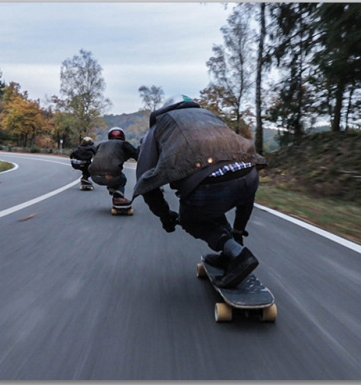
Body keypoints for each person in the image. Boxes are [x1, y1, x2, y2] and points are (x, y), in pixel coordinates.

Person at [133, 99, 267, 288]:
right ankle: (231, 249)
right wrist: (238, 230)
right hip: (250, 174)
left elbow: (146, 181)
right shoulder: (210, 117)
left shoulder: (158, 126)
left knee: (190, 219)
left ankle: (239, 255)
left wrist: (165, 216)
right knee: (215, 202)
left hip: (210, 185)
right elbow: (241, 177)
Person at [89, 127, 139, 206]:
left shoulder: (101, 145)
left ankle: (112, 188)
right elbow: (137, 155)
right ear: (122, 136)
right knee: (122, 178)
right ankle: (118, 198)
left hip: (94, 176)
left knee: (113, 173)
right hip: (112, 175)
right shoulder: (123, 144)